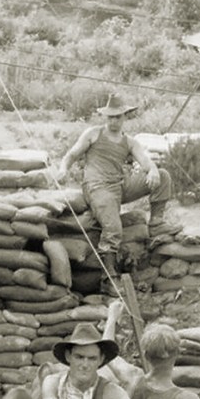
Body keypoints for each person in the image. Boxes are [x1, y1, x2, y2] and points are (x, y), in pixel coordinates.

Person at [55, 93, 172, 277]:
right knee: (113, 228)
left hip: (120, 185)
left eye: (117, 117)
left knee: (163, 176)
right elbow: (71, 155)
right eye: (110, 117)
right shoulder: (93, 134)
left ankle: (156, 222)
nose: (113, 121)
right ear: (105, 117)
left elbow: (145, 162)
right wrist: (63, 169)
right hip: (97, 186)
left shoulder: (129, 142)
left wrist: (153, 171)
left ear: (125, 117)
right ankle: (108, 276)